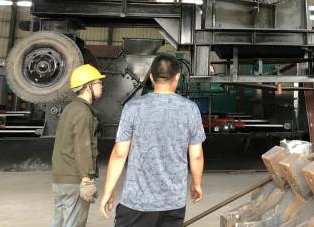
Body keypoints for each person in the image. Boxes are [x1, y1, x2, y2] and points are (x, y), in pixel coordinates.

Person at [99, 53, 206, 227]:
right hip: (173, 204)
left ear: (151, 77)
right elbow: (196, 155)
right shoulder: (190, 109)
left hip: (136, 203)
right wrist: (197, 183)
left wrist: (108, 190)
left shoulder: (133, 107)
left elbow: (119, 154)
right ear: (177, 77)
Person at [51, 64, 105, 227]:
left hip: (61, 178)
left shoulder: (71, 108)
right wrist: (86, 180)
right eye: (98, 82)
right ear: (88, 86)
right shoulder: (83, 112)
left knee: (59, 222)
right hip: (74, 179)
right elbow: (83, 148)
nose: (101, 86)